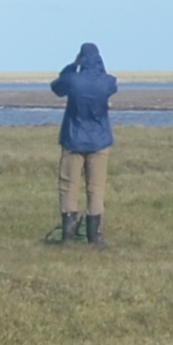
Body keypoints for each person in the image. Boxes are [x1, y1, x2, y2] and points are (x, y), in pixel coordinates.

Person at [48, 42, 118, 243]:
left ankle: (68, 235)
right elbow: (109, 83)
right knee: (96, 188)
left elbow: (57, 86)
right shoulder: (107, 81)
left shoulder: (73, 80)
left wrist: (73, 65)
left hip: (73, 138)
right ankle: (94, 236)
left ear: (81, 57)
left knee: (69, 185)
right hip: (99, 140)